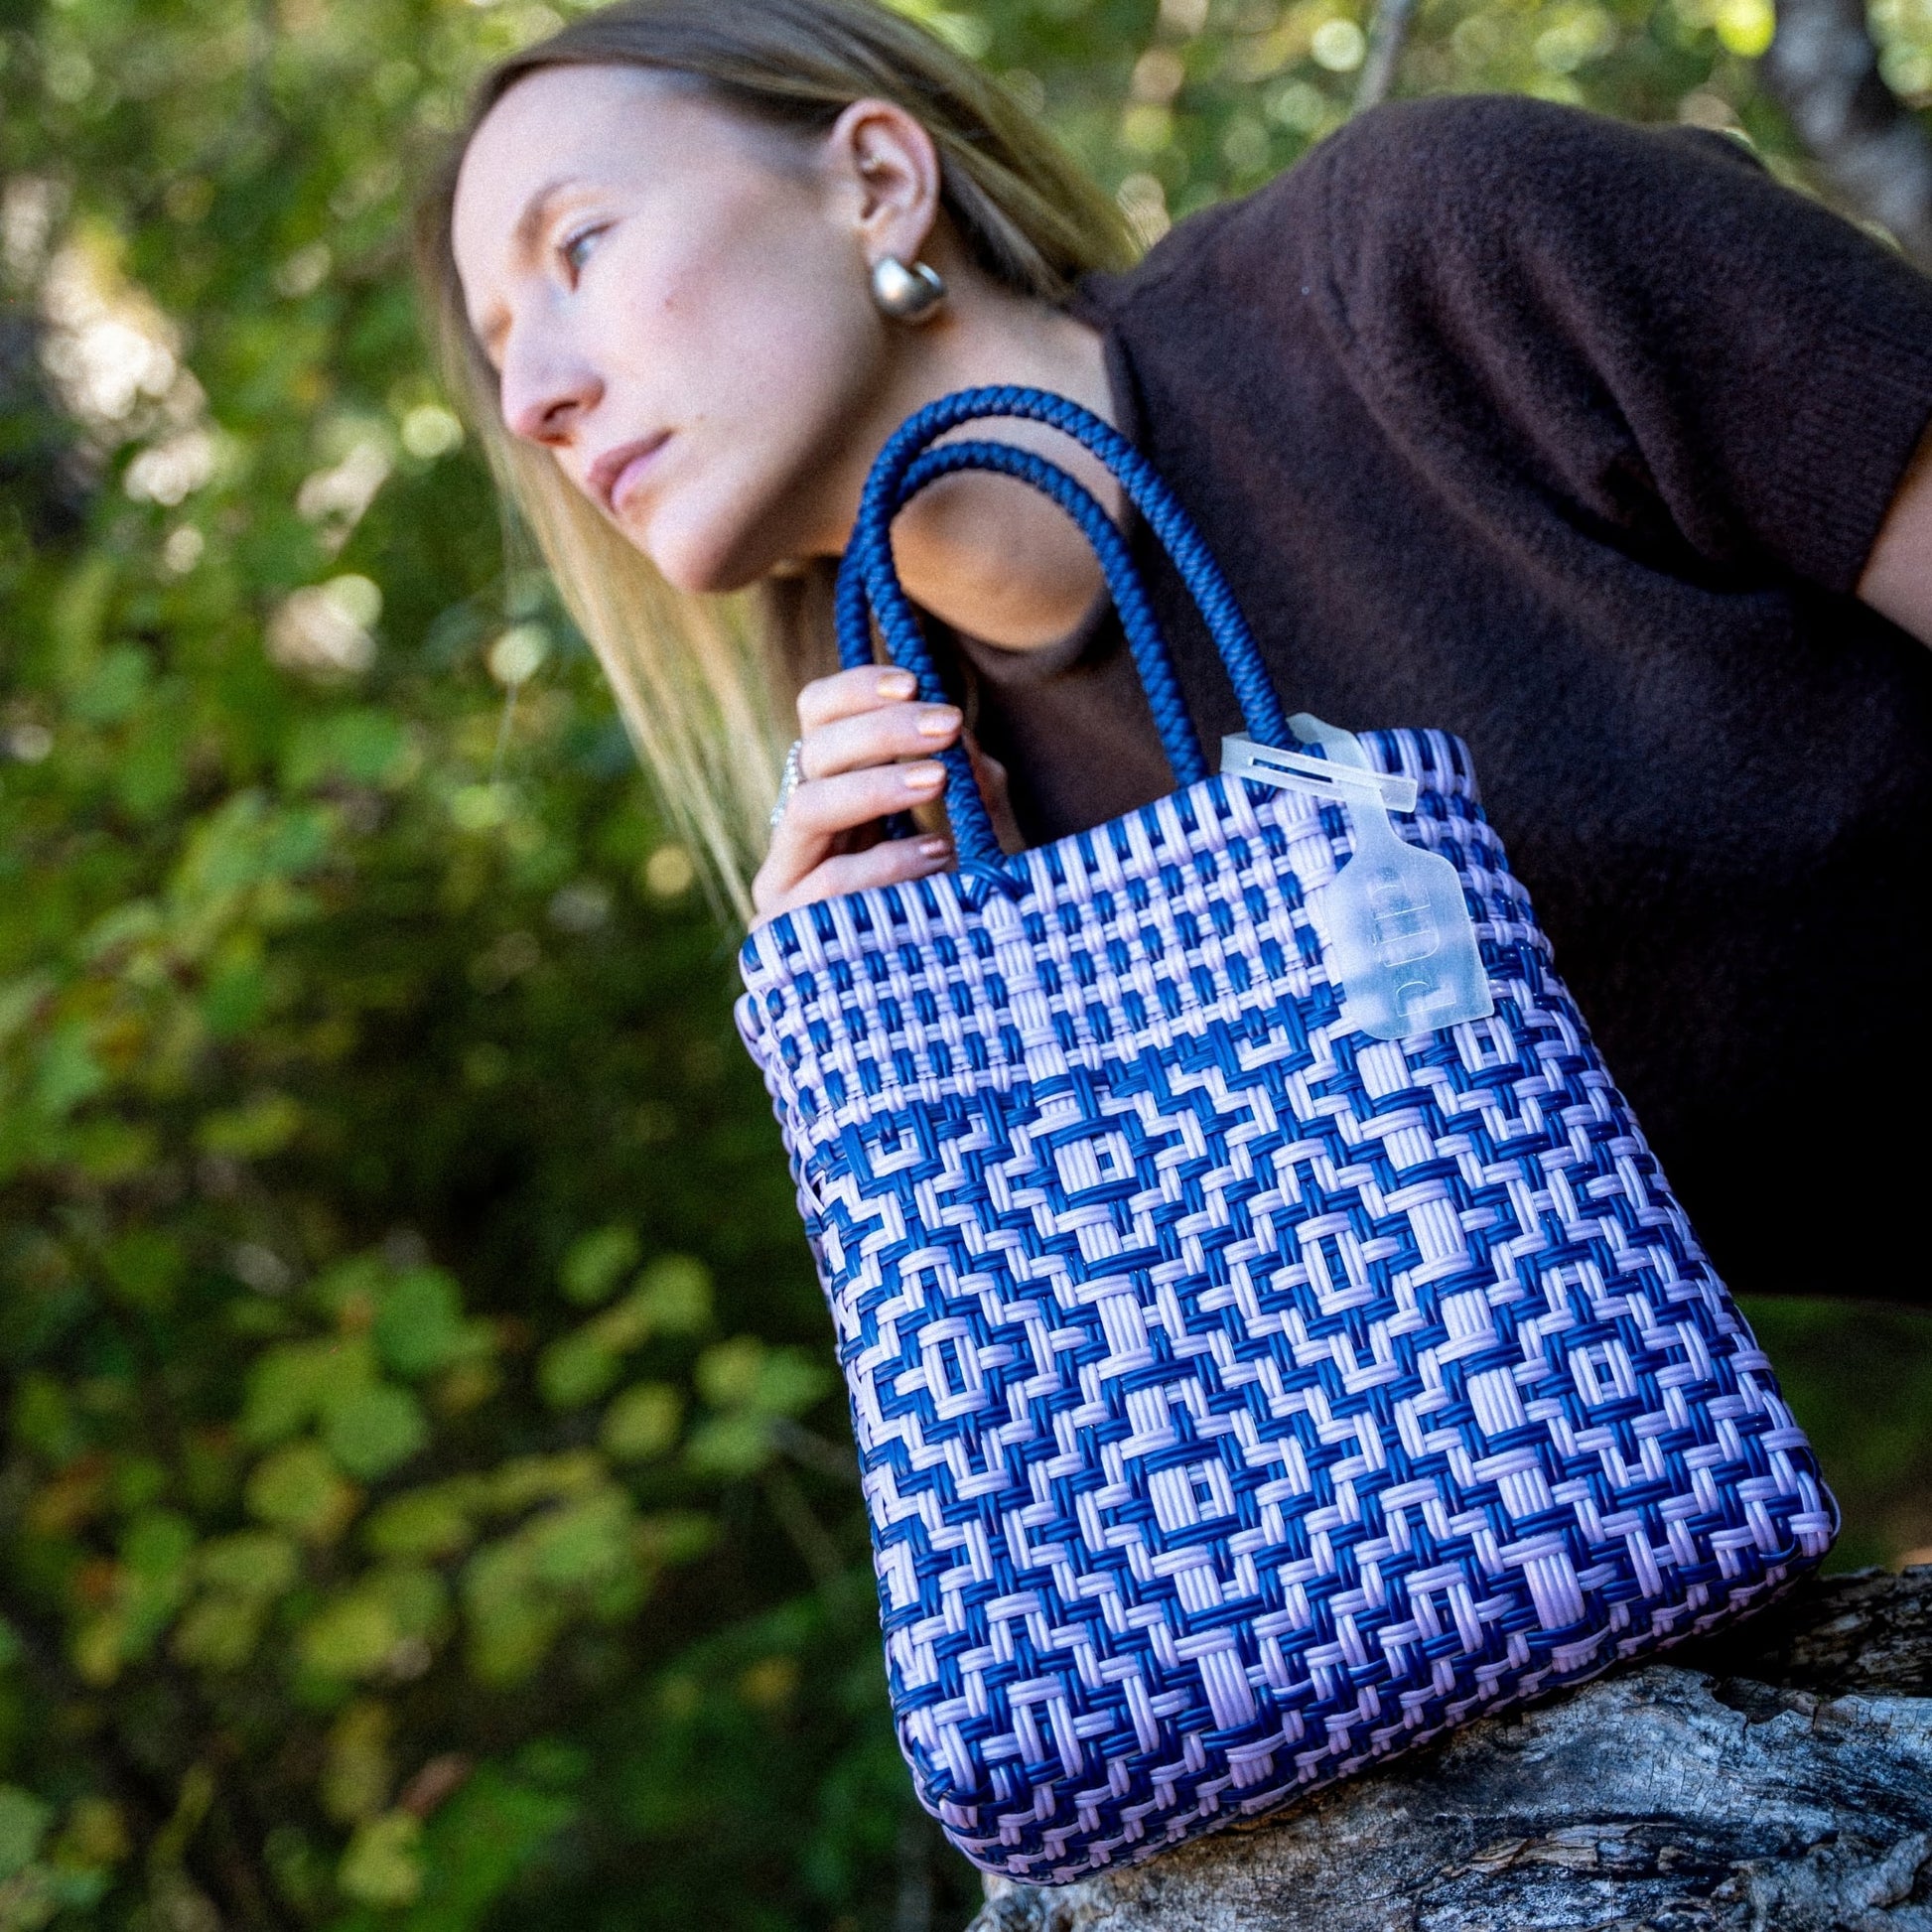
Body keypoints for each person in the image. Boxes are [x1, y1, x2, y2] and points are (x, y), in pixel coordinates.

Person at [417, 0, 1932, 1305]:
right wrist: (925, 1057)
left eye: (581, 245)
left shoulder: (1438, 253)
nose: (534, 398)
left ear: (875, 180)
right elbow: (1336, 1385)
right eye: (498, 358)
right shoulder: (957, 831)